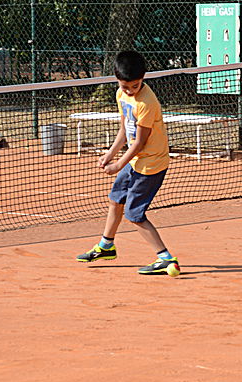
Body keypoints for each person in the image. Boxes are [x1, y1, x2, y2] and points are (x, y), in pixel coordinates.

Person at [76, 50, 178, 275]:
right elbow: (124, 129)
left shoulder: (147, 103)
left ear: (143, 78)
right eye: (125, 86)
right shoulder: (121, 95)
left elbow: (140, 142)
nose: (131, 90)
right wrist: (110, 154)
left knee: (134, 214)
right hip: (134, 161)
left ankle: (166, 258)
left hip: (150, 165)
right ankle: (106, 246)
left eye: (135, 85)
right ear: (117, 80)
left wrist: (118, 165)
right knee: (115, 200)